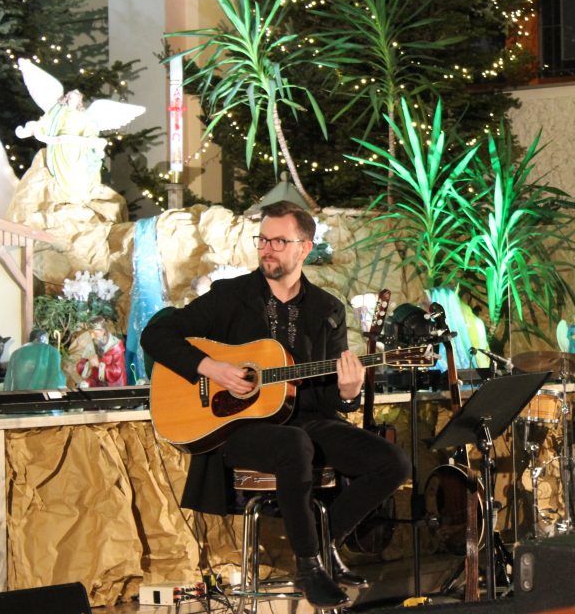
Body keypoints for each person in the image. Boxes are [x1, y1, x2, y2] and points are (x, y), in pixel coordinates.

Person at [141, 201, 410, 608]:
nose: (267, 249)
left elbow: (328, 398)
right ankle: (309, 568)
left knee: (393, 462)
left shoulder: (327, 310)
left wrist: (348, 391)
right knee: (293, 445)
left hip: (308, 421)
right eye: (263, 240)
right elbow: (156, 335)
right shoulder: (231, 296)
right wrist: (212, 368)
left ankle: (322, 545)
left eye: (279, 241)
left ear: (305, 247)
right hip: (238, 428)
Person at [74, 316, 126, 388]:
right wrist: (89, 364)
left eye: (94, 333)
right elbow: (80, 366)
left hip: (113, 386)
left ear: (102, 331)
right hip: (95, 384)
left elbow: (117, 371)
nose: (92, 336)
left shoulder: (115, 346)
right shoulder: (91, 346)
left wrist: (98, 365)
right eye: (90, 333)